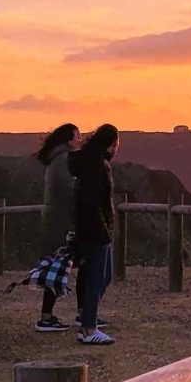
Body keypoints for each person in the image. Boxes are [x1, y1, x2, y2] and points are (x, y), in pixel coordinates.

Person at [68, 124, 119, 345]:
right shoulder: (97, 165)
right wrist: (103, 230)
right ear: (111, 144)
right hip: (96, 231)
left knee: (101, 276)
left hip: (90, 229)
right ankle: (89, 329)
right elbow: (93, 202)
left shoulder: (89, 162)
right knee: (97, 278)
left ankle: (88, 320)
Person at [33, 123, 81, 332]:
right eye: (78, 136)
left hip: (55, 222)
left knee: (57, 267)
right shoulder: (64, 160)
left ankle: (50, 316)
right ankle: (48, 317)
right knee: (58, 268)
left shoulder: (56, 159)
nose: (80, 139)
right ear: (69, 140)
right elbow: (70, 191)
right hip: (62, 224)